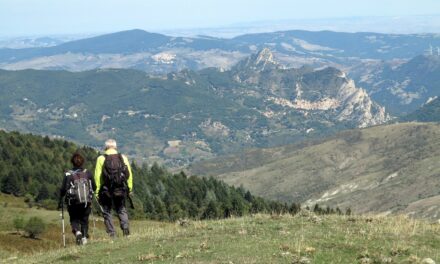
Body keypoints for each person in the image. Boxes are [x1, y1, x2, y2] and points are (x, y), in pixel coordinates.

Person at [94, 139, 133, 238]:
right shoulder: (122, 157)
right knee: (121, 208)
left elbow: (98, 177)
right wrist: (130, 188)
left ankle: (112, 234)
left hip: (106, 190)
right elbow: (129, 175)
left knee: (107, 211)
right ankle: (126, 230)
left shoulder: (101, 159)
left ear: (106, 147)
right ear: (115, 147)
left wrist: (97, 192)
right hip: (120, 188)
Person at [59, 152, 96, 245]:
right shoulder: (87, 173)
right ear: (82, 162)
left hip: (73, 202)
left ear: (72, 162)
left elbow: (63, 189)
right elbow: (94, 187)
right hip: (86, 201)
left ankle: (77, 232)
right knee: (84, 220)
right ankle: (84, 237)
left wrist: (61, 199)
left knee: (74, 219)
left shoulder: (68, 174)